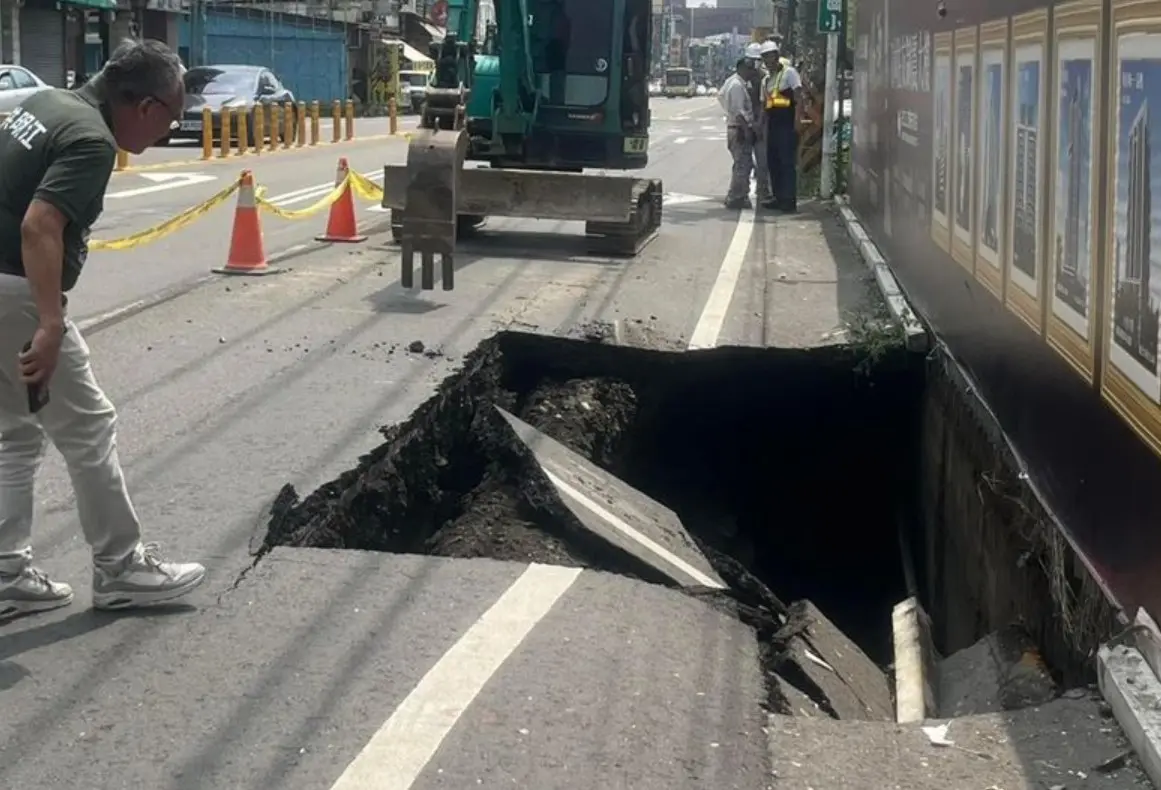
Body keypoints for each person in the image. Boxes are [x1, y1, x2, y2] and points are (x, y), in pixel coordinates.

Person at [0, 39, 206, 620]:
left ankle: (7, 574)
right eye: (172, 118)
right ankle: (120, 567)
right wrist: (49, 323)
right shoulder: (91, 140)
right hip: (15, 292)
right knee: (88, 426)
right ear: (145, 106)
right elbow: (40, 226)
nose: (167, 131)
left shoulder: (45, 104)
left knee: (16, 431)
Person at [760, 39, 804, 213]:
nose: (768, 61)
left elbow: (799, 97)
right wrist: (763, 129)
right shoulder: (766, 80)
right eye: (765, 57)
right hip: (773, 125)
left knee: (787, 163)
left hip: (787, 124)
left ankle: (789, 200)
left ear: (777, 56)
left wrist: (798, 121)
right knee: (774, 162)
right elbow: (765, 107)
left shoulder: (789, 73)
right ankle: (778, 197)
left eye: (770, 56)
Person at [718, 56, 759, 210]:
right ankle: (737, 197)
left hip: (735, 127)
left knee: (741, 164)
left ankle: (736, 194)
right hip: (739, 129)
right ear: (742, 68)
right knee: (743, 165)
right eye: (750, 69)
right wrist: (746, 130)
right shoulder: (736, 85)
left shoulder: (733, 82)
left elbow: (721, 96)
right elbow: (739, 112)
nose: (752, 72)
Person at [742, 43, 773, 206]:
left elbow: (765, 103)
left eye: (756, 60)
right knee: (743, 162)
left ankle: (763, 190)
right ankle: (741, 192)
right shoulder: (741, 78)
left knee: (763, 161)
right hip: (745, 125)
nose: (753, 64)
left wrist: (759, 123)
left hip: (761, 124)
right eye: (750, 60)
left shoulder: (766, 78)